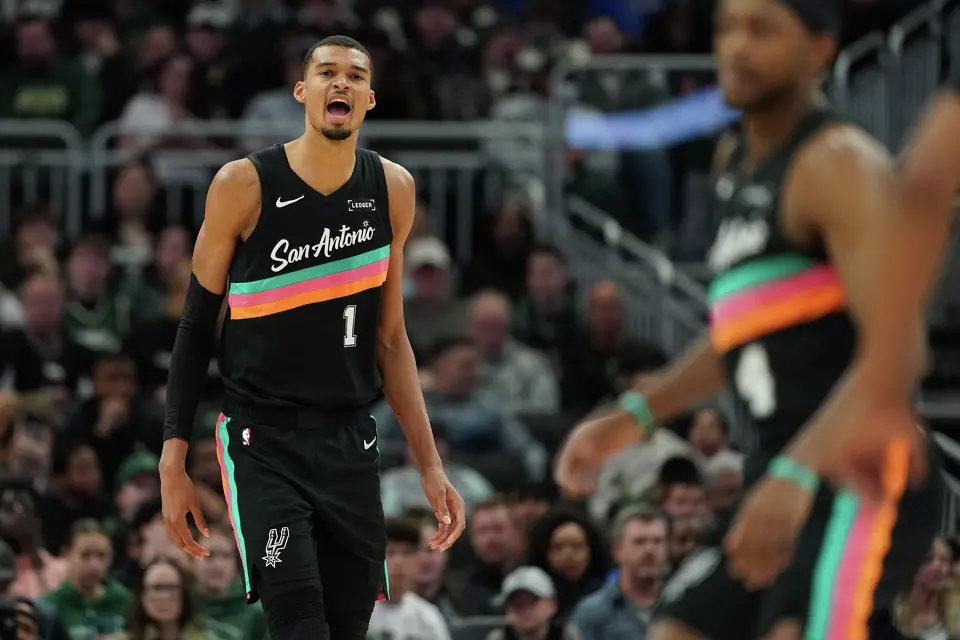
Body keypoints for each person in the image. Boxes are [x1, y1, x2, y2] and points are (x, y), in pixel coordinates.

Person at [553, 2, 943, 639]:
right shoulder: (734, 157)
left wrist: (797, 471)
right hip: (779, 464)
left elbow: (900, 349)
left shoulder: (838, 162)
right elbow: (740, 328)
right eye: (727, 27)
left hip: (860, 472)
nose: (736, 46)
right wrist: (633, 415)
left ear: (820, 48)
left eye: (762, 28)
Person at [158, 34, 466, 640]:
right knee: (300, 627)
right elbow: (196, 329)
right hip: (261, 439)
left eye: (355, 75)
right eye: (327, 73)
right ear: (303, 92)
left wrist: (430, 465)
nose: (340, 83)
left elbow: (392, 342)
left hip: (350, 441)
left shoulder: (392, 190)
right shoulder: (242, 184)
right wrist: (173, 456)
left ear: (370, 98)